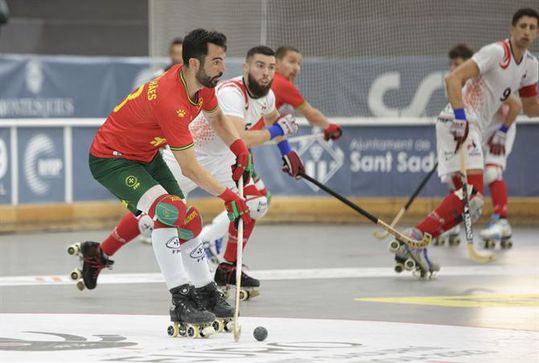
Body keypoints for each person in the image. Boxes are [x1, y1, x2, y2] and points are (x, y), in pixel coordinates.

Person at [72, 29, 255, 336]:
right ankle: (180, 298)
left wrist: (239, 149)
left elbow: (218, 119)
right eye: (217, 61)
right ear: (195, 64)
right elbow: (190, 168)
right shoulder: (171, 100)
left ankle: (205, 290)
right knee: (169, 211)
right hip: (112, 159)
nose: (222, 68)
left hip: (146, 154)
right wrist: (228, 196)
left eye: (223, 60)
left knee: (189, 219)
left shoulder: (202, 84)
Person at [391, 8, 539, 276]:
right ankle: (416, 237)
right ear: (512, 28)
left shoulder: (530, 66)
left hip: (471, 128)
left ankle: (416, 241)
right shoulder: (496, 52)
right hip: (460, 122)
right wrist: (461, 119)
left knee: (469, 201)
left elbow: (530, 108)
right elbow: (453, 79)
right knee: (471, 196)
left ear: (537, 33)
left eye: (532, 27)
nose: (527, 32)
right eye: (523, 26)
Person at [436, 44, 519, 248]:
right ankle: (455, 220)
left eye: (458, 64)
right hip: (476, 131)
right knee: (455, 176)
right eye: (451, 65)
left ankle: (502, 221)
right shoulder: (457, 86)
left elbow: (516, 105)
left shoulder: (483, 80)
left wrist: (503, 131)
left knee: (491, 173)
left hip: (497, 132)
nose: (453, 68)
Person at [273, 46, 343, 141]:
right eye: (291, 62)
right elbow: (311, 115)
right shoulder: (283, 84)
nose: (296, 68)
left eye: (299, 64)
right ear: (276, 63)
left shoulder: (264, 78)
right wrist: (329, 127)